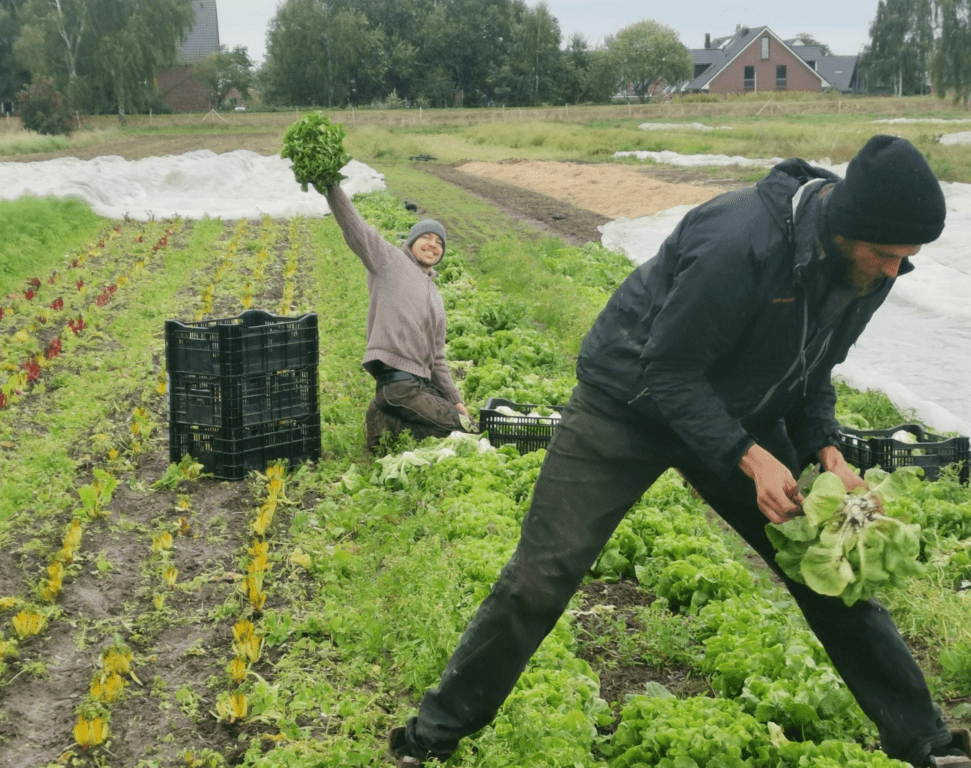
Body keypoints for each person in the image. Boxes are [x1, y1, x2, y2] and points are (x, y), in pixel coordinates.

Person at [386, 135, 971, 768]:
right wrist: (750, 456)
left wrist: (825, 449)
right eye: (886, 253)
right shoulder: (740, 241)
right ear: (846, 224)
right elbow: (668, 372)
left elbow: (814, 367)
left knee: (826, 569)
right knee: (540, 577)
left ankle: (930, 744)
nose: (894, 269)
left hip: (738, 409)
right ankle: (429, 738)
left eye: (905, 257)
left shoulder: (867, 266)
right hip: (627, 405)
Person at [324, 184, 471, 451]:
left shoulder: (435, 295)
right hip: (399, 382)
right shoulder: (390, 262)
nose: (433, 245)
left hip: (418, 383)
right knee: (457, 428)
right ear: (412, 241)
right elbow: (357, 229)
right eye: (427, 237)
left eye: (439, 243)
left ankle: (384, 419)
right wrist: (331, 187)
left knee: (462, 421)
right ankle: (390, 426)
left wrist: (455, 399)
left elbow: (437, 357)